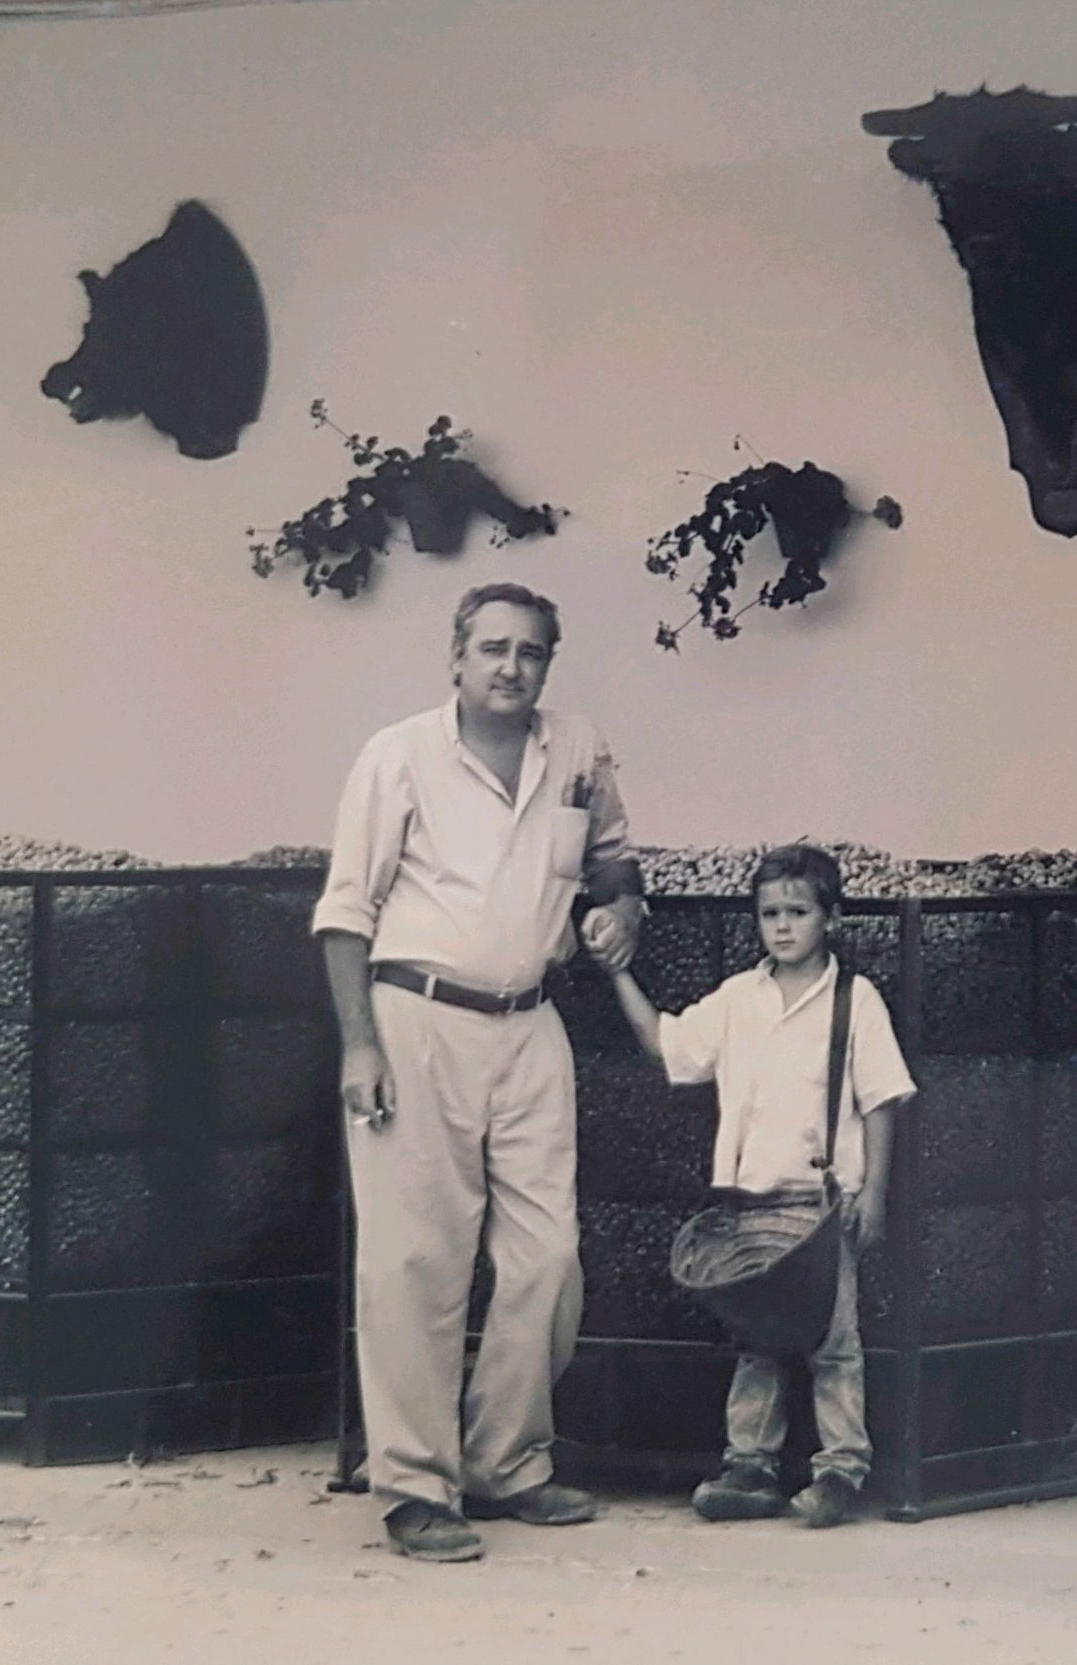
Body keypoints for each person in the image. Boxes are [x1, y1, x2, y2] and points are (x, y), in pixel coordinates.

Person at [313, 582, 649, 1564]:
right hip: (414, 1021)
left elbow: (616, 862)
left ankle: (508, 1465)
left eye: (531, 652)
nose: (511, 667)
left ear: (549, 664)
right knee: (415, 1259)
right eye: (493, 648)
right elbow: (344, 913)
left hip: (530, 1024)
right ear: (455, 657)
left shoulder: (578, 750)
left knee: (548, 1257)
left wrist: (622, 912)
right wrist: (359, 1044)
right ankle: (416, 1487)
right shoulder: (400, 755)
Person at [591, 843, 915, 1527]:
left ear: (831, 916)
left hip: (823, 1204)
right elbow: (667, 1044)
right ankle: (749, 1465)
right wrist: (618, 973)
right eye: (770, 913)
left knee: (834, 1343)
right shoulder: (739, 999)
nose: (783, 925)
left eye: (798, 911)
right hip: (747, 1204)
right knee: (758, 1340)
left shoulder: (856, 1002)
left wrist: (876, 1192)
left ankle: (840, 1469)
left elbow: (883, 1099)